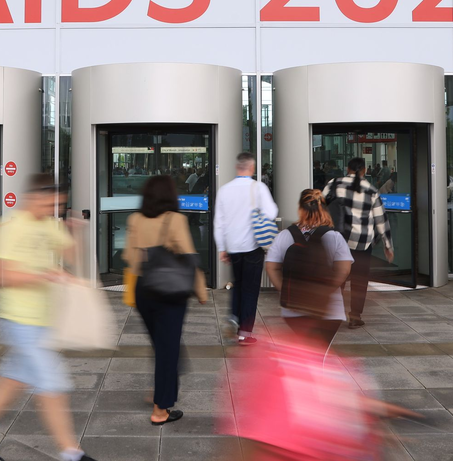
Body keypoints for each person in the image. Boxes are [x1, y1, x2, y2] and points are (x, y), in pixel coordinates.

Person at [0, 174, 96, 461]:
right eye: (52, 203)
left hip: (44, 319)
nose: (55, 209)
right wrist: (45, 275)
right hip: (18, 319)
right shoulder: (10, 227)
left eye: (59, 205)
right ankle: (71, 453)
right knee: (52, 382)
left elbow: (71, 256)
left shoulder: (49, 224)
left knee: (12, 378)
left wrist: (75, 232)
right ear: (35, 197)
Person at [123, 175, 208, 426]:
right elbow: (189, 257)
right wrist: (201, 292)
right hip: (168, 291)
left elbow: (129, 255)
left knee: (163, 345)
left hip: (142, 288)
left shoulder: (135, 219)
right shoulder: (176, 220)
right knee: (168, 349)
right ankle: (160, 410)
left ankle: (160, 391)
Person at [264, 189, 353, 359]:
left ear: (300, 209)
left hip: (294, 308)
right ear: (324, 209)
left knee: (304, 355)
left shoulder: (285, 236)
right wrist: (324, 292)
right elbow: (344, 269)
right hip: (328, 310)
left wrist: (287, 290)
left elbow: (271, 267)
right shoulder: (334, 237)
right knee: (319, 357)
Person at [214, 152, 278, 345]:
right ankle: (244, 333)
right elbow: (272, 212)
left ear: (237, 167)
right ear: (252, 168)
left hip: (232, 247)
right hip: (252, 247)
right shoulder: (258, 188)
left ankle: (234, 315)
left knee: (238, 283)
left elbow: (219, 223)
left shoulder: (224, 190)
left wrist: (221, 248)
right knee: (250, 289)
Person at [324, 158, 394, 329]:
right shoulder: (371, 190)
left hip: (338, 241)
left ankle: (334, 313)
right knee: (359, 280)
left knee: (337, 278)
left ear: (347, 168)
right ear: (364, 170)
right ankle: (355, 316)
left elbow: (320, 206)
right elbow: (380, 219)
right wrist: (387, 245)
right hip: (362, 243)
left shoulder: (335, 184)